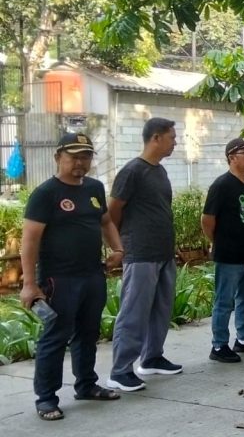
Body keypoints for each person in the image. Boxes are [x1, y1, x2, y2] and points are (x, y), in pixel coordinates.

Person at [21, 133, 123, 419]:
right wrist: (29, 284)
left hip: (92, 274)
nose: (80, 162)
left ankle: (86, 385)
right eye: (74, 156)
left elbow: (105, 221)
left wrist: (118, 248)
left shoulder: (94, 188)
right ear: (58, 157)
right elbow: (30, 240)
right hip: (59, 279)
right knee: (56, 337)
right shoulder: (45, 194)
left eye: (86, 156)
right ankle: (46, 398)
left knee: (88, 333)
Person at [107, 118, 181, 392]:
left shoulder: (159, 171)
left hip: (163, 251)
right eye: (172, 137)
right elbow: (112, 212)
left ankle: (152, 358)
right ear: (156, 138)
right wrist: (119, 245)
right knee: (134, 312)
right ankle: (120, 371)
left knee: (161, 309)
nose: (175, 143)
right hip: (140, 253)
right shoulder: (132, 171)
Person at [201, 137, 244, 363]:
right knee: (224, 301)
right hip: (229, 256)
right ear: (232, 157)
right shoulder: (221, 185)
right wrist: (219, 241)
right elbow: (207, 220)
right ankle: (219, 345)